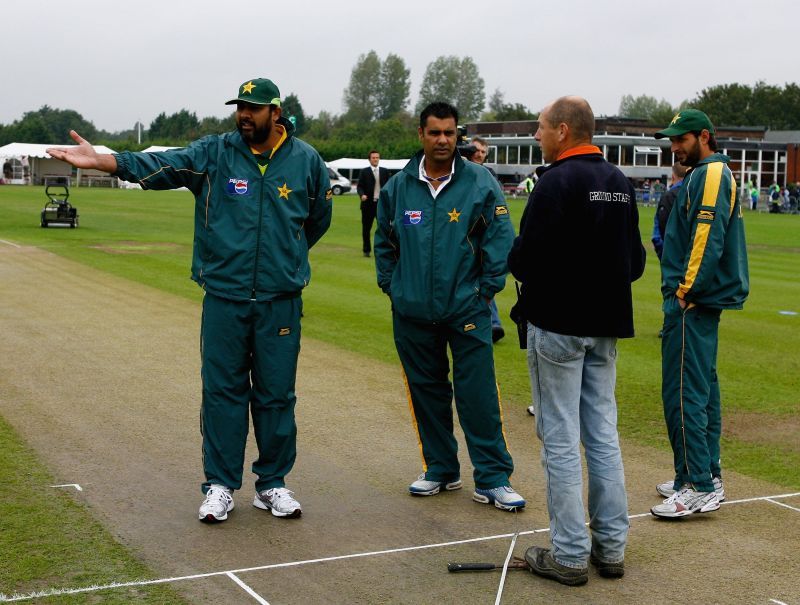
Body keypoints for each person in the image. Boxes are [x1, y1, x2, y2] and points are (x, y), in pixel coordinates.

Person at [47, 78, 332, 524]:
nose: (244, 115)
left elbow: (316, 220)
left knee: (277, 396)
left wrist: (284, 260)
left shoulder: (306, 162)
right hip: (224, 297)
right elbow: (161, 165)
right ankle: (219, 485)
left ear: (276, 113)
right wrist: (108, 161)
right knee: (222, 394)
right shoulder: (215, 153)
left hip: (280, 300)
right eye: (240, 106)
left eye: (253, 109)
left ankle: (272, 484)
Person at [508, 96, 645, 586]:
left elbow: (525, 261)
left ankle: (568, 553)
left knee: (561, 439)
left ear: (563, 130)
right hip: (605, 324)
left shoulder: (553, 184)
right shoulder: (618, 182)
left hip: (559, 325)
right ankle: (611, 546)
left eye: (541, 129)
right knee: (602, 435)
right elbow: (636, 262)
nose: (537, 136)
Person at [374, 101, 525, 512]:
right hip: (412, 311)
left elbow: (500, 239)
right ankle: (441, 468)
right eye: (435, 132)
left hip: (467, 310)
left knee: (477, 395)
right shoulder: (399, 186)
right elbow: (384, 242)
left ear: (458, 135)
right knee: (427, 393)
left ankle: (493, 477)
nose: (443, 140)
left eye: (450, 133)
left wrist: (485, 291)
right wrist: (393, 287)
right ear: (421, 135)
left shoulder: (480, 182)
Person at [650, 109, 749, 519]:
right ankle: (704, 474)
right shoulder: (706, 174)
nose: (674, 146)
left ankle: (696, 485)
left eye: (681, 138)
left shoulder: (710, 174)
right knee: (701, 388)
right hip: (700, 301)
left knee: (684, 391)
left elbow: (706, 236)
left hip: (692, 301)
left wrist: (686, 290)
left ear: (704, 137)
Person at [470, 135, 505, 343]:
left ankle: (492, 323)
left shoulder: (490, 175)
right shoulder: (460, 172)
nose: (479, 154)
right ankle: (490, 322)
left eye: (483, 152)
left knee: (483, 279)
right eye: (477, 150)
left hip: (485, 235)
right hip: (466, 234)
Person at [356, 150, 390, 257]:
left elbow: (389, 186)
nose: (375, 159)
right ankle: (366, 250)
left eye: (377, 157)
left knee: (384, 228)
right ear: (369, 159)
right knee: (366, 229)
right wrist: (362, 195)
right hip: (368, 205)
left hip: (381, 205)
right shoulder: (364, 172)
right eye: (373, 158)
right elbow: (359, 186)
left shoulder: (385, 171)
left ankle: (384, 250)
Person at [651, 162, 688, 260]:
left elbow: (658, 231)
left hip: (671, 257)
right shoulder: (697, 193)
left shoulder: (668, 197)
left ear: (673, 177)